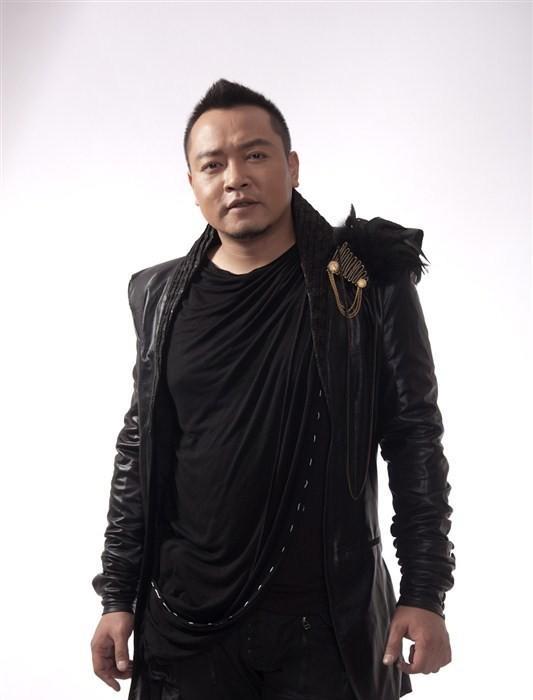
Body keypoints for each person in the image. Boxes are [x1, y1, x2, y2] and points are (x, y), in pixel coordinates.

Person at [90, 78, 455, 700]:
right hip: (184, 625)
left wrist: (425, 590)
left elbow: (413, 435)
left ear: (292, 166)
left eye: (255, 155)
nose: (235, 177)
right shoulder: (158, 295)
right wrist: (117, 594)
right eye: (213, 164)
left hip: (325, 625)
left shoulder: (360, 278)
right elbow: (141, 448)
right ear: (193, 183)